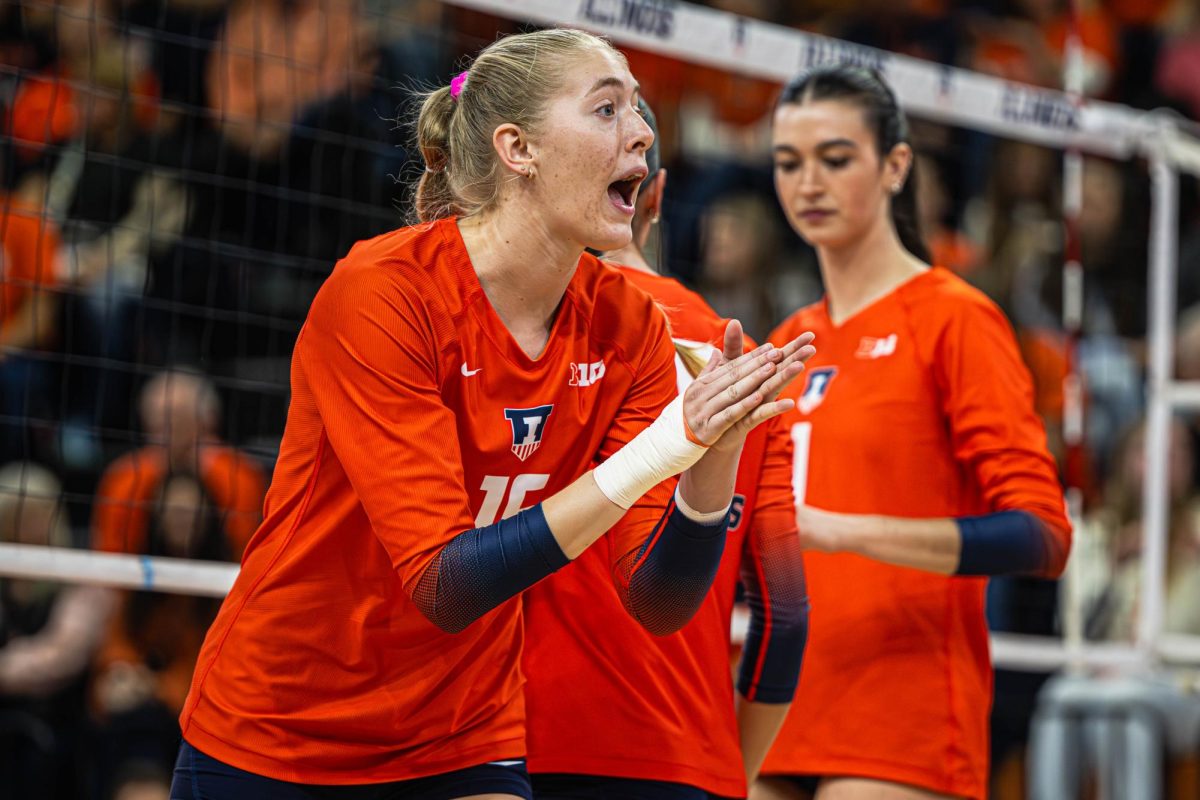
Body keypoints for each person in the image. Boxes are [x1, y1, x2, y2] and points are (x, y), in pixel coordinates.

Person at [170, 29, 814, 800]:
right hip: (286, 724)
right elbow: (446, 582)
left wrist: (711, 453)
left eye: (639, 110)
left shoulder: (631, 328)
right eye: (607, 109)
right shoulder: (384, 292)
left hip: (464, 730)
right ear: (518, 149)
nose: (641, 130)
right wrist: (660, 448)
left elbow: (659, 600)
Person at [754, 66, 1072, 800]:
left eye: (835, 159)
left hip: (904, 718)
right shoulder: (788, 341)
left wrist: (840, 531)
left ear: (896, 166)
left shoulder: (953, 319)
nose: (808, 185)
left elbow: (1042, 536)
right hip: (778, 702)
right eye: (788, 163)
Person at [524, 99, 811, 800]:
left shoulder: (504, 332)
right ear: (655, 197)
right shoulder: (742, 365)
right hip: (688, 762)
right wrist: (729, 777)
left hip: (511, 750)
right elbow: (785, 616)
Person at [91, 368, 266, 557]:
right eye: (154, 414)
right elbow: (111, 554)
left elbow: (245, 549)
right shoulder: (126, 476)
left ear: (206, 418)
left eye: (173, 413)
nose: (160, 423)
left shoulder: (238, 474)